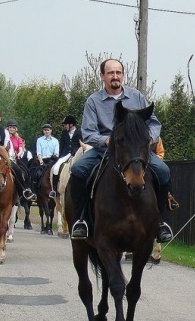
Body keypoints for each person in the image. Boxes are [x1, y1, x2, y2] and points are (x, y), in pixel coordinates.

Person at [68, 58, 173, 244]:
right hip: (105, 152)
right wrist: (106, 140)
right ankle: (81, 219)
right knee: (77, 170)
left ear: (123, 75)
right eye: (110, 73)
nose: (115, 76)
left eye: (118, 72)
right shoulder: (93, 101)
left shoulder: (137, 97)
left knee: (163, 171)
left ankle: (160, 221)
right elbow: (88, 132)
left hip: (135, 152)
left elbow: (154, 123)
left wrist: (149, 138)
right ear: (102, 76)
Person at [5, 120, 35, 203]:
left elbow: (21, 149)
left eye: (13, 128)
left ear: (16, 129)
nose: (11, 129)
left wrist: (18, 154)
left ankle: (26, 190)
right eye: (10, 127)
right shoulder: (5, 137)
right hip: (5, 158)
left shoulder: (18, 139)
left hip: (15, 158)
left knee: (26, 171)